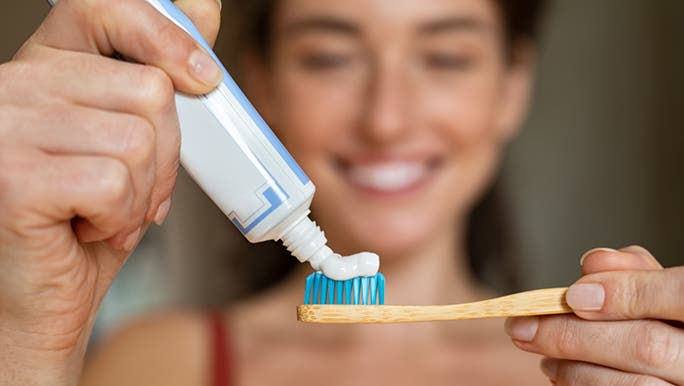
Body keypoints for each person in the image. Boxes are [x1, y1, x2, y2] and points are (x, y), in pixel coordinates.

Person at [0, 0, 682, 385]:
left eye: (445, 57)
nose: (386, 118)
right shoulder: (157, 364)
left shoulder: (599, 373)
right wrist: (29, 336)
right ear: (258, 85)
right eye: (330, 57)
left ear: (512, 86)